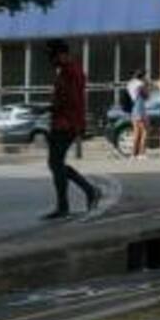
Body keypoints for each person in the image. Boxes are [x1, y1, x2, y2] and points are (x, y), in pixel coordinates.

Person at [44, 40, 100, 219]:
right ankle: (73, 200)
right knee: (56, 164)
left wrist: (53, 108)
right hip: (63, 122)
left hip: (66, 124)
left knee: (55, 163)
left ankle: (86, 193)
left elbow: (73, 101)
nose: (51, 61)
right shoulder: (67, 71)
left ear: (62, 54)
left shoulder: (71, 72)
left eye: (53, 56)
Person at [126, 69, 150, 158]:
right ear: (142, 76)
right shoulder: (140, 84)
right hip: (140, 107)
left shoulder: (130, 83)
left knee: (136, 132)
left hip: (134, 107)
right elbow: (146, 96)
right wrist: (147, 85)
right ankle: (141, 153)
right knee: (145, 131)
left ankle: (134, 153)